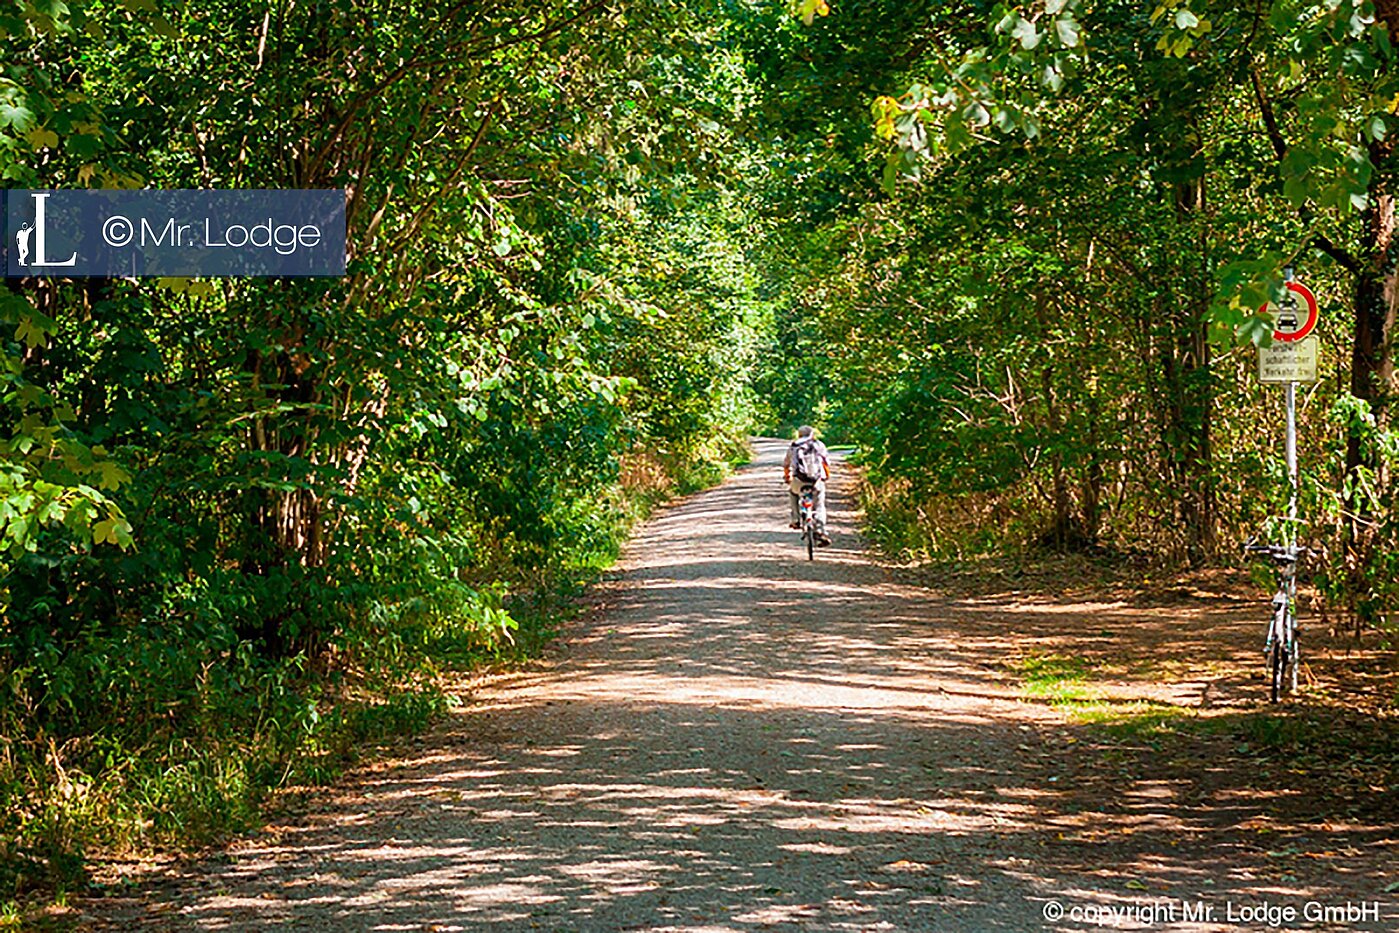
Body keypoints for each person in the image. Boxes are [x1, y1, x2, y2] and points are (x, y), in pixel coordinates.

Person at [783, 425, 831, 546]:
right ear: (812, 434)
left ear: (799, 435)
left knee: (793, 493)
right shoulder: (818, 445)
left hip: (799, 480)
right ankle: (820, 530)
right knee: (819, 504)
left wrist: (787, 476)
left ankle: (795, 520)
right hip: (815, 481)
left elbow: (786, 464)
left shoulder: (794, 446)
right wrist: (826, 475)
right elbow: (826, 462)